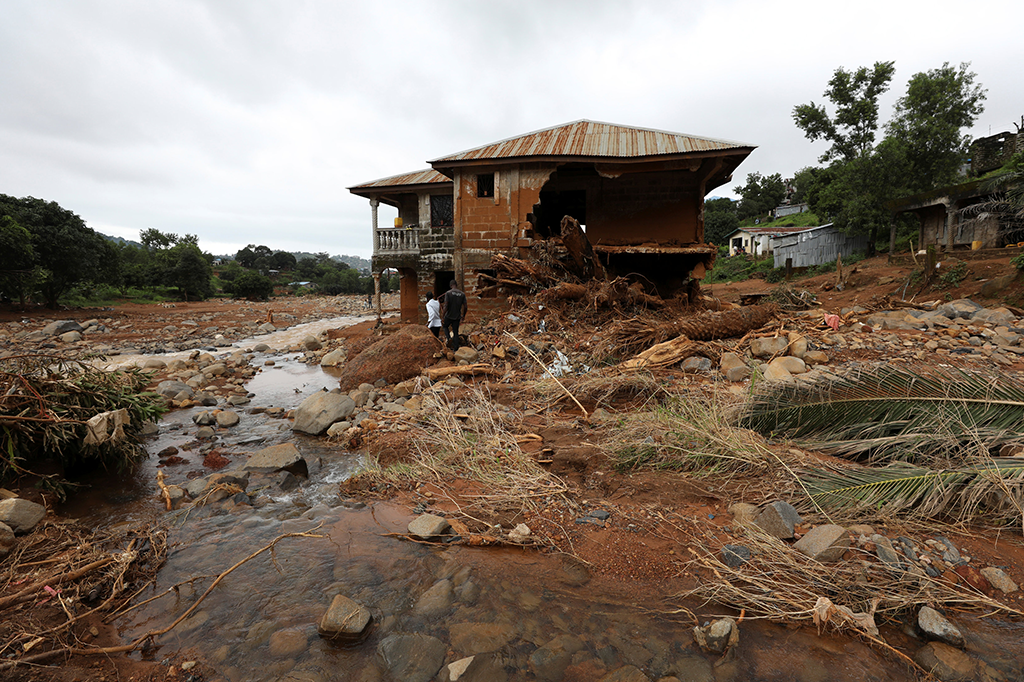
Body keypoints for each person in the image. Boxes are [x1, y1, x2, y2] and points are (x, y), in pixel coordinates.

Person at [439, 279, 467, 351]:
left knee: (445, 326)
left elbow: (446, 305)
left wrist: (443, 316)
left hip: (449, 315)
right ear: (456, 285)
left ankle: (449, 339)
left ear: (451, 285)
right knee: (455, 332)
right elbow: (465, 306)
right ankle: (456, 349)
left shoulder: (448, 293)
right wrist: (463, 315)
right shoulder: (462, 294)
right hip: (457, 316)